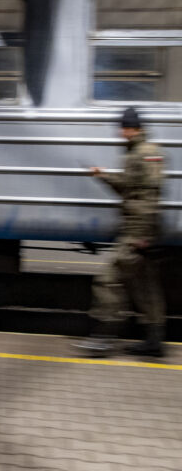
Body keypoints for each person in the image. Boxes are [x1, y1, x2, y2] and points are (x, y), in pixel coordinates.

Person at [73, 107, 166, 357]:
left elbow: (148, 197)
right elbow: (131, 188)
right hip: (142, 231)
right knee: (145, 286)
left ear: (132, 128)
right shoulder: (142, 152)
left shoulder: (143, 154)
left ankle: (103, 337)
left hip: (137, 233)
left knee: (108, 281)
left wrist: (142, 236)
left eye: (123, 127)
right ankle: (154, 342)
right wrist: (103, 176)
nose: (119, 132)